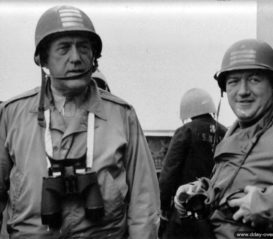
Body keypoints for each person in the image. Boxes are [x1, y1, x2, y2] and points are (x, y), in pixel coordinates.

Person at [0, 5, 160, 239]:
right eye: (64, 48)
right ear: (43, 58)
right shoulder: (12, 115)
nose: (76, 58)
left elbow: (143, 204)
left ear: (94, 57)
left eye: (83, 47)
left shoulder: (122, 115)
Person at [174, 39, 273, 239]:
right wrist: (200, 190)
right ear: (225, 90)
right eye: (233, 81)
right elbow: (232, 185)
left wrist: (265, 204)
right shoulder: (235, 132)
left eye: (254, 79)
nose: (242, 91)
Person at [158, 88, 226, 239]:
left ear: (187, 110)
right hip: (216, 210)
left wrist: (162, 206)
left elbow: (169, 172)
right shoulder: (225, 132)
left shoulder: (185, 131)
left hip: (186, 209)